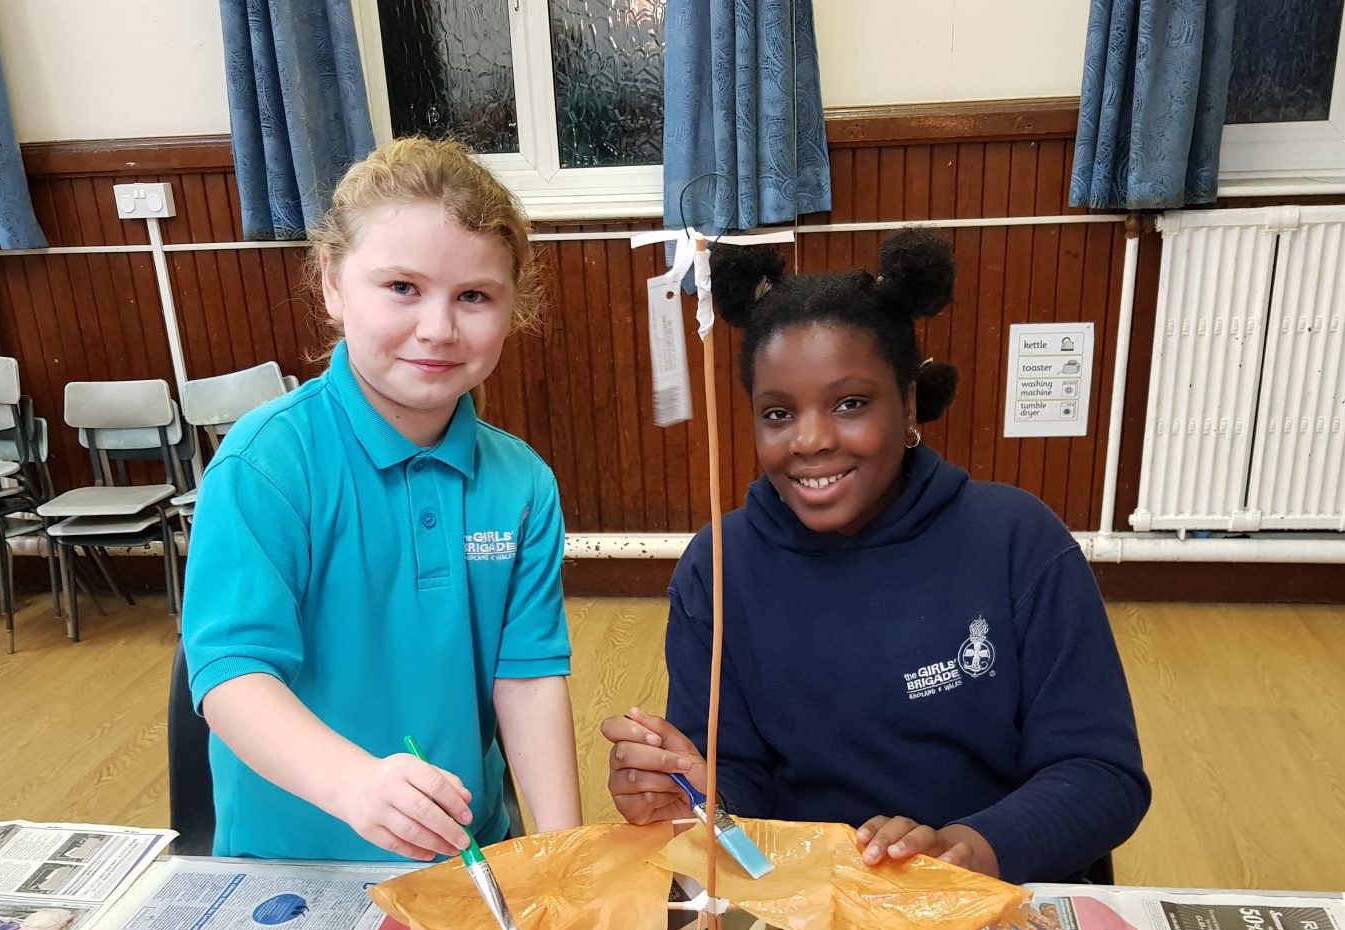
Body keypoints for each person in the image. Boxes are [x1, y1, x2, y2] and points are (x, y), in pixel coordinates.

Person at [600, 230, 1148, 885]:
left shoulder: (1017, 540)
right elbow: (735, 782)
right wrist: (690, 794)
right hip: (806, 902)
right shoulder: (717, 569)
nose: (809, 439)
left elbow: (1100, 773)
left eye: (850, 404)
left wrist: (969, 847)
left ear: (909, 401)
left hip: (995, 892)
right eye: (777, 413)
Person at [184, 136, 582, 862]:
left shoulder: (523, 483)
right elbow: (230, 674)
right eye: (402, 287)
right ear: (332, 286)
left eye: (473, 296)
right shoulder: (266, 461)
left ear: (511, 307)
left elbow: (525, 681)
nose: (437, 328)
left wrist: (562, 859)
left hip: (468, 858)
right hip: (293, 865)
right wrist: (352, 784)